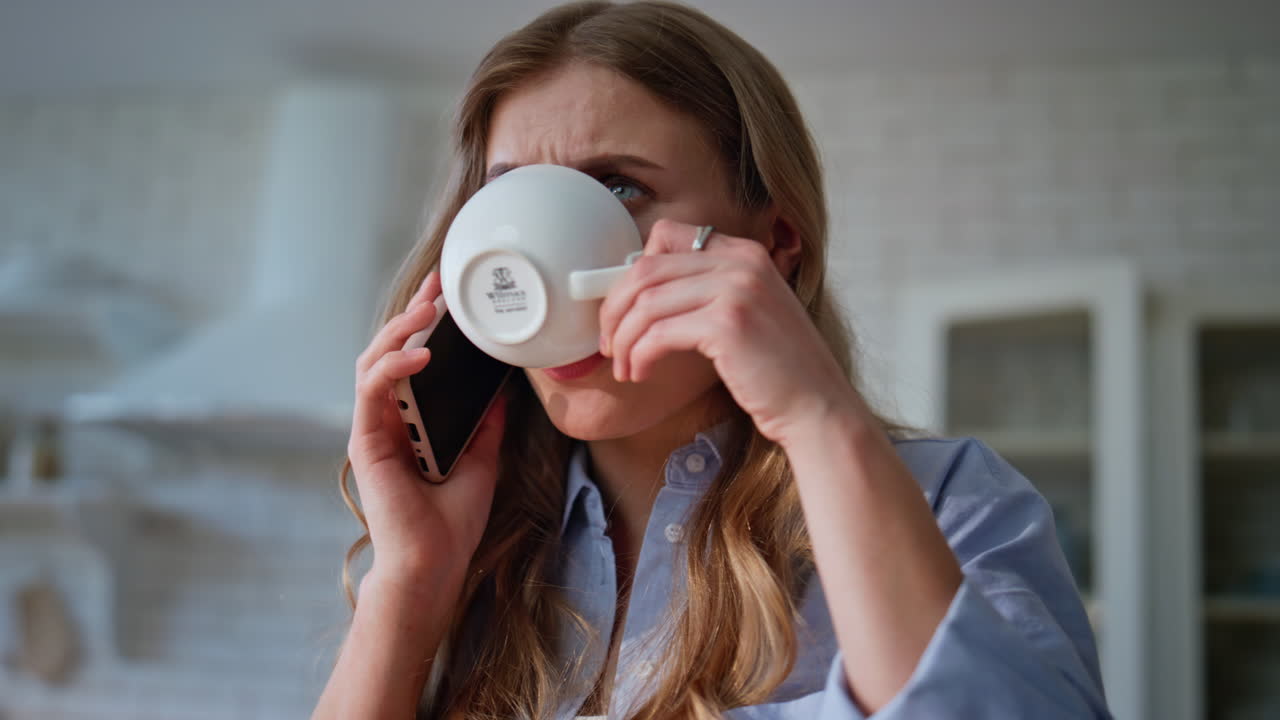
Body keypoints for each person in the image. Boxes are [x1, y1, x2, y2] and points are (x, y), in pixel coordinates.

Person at [311, 2, 1110, 718]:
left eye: (618, 189)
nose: (543, 265)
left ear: (775, 243)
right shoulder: (481, 555)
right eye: (511, 200)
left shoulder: (948, 505)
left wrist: (819, 418)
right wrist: (411, 582)